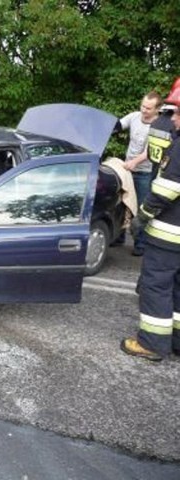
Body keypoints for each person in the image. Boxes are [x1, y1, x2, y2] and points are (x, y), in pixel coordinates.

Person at [121, 102, 180, 362]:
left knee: (155, 285)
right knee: (177, 287)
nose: (173, 120)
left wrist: (142, 216)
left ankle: (152, 343)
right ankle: (176, 340)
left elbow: (167, 188)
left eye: (178, 114)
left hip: (169, 232)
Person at [116, 91, 162, 255]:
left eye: (148, 108)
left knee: (142, 208)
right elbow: (117, 126)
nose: (144, 110)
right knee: (122, 203)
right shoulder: (134, 116)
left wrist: (134, 163)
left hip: (144, 173)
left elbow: (150, 151)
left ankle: (140, 245)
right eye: (143, 106)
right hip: (127, 170)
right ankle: (118, 237)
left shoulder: (158, 126)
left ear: (157, 109)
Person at [147, 78, 180, 180]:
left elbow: (150, 155)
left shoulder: (156, 121)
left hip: (156, 177)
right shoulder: (174, 126)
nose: (174, 118)